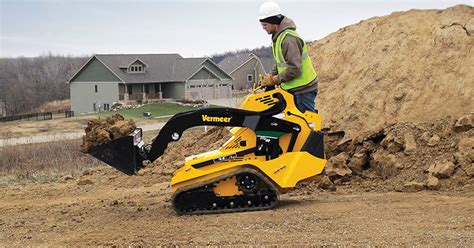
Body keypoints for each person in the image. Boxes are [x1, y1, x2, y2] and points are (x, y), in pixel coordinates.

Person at [258, 1, 319, 113]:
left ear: (274, 23)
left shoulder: (288, 39)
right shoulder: (279, 37)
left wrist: (274, 80)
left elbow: (294, 68)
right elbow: (280, 62)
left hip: (303, 89)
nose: (263, 28)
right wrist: (270, 76)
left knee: (306, 124)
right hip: (294, 88)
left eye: (265, 24)